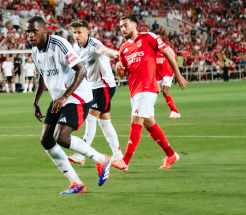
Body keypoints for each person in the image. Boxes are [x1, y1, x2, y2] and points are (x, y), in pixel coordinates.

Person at [26, 17, 111, 195]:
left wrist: (65, 96)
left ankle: (101, 159)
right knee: (46, 139)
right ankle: (76, 183)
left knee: (61, 137)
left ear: (44, 30)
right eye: (28, 32)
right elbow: (43, 75)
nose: (31, 35)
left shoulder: (59, 44)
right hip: (59, 98)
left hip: (77, 96)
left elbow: (81, 70)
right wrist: (36, 101)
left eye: (34, 31)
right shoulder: (35, 50)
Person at [113, 14, 187, 171]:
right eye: (120, 27)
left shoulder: (148, 37)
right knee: (149, 123)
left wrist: (178, 74)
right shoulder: (123, 48)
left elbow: (168, 53)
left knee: (136, 120)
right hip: (134, 91)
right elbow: (122, 74)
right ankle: (171, 154)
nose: (123, 29)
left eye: (125, 25)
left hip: (147, 88)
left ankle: (125, 160)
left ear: (135, 25)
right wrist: (118, 70)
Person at [69, 20, 124, 166]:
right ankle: (118, 155)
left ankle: (81, 154)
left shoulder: (93, 44)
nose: (76, 35)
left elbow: (105, 50)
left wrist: (115, 54)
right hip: (93, 87)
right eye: (74, 32)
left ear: (87, 32)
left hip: (104, 85)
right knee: (105, 122)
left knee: (90, 116)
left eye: (79, 32)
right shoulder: (76, 46)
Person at [156, 45, 182, 119]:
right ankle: (175, 111)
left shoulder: (165, 48)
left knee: (164, 91)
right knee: (153, 92)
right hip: (157, 74)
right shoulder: (152, 49)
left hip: (167, 72)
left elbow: (176, 59)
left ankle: (174, 111)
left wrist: (175, 71)